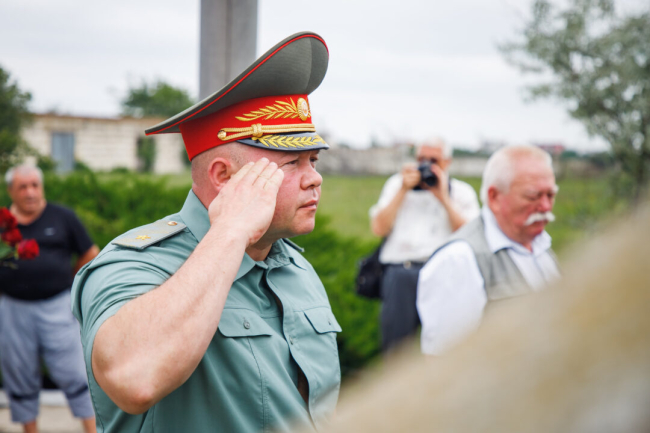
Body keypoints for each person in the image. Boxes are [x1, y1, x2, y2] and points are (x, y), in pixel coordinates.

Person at [71, 32, 341, 433]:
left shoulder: (295, 268)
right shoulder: (133, 264)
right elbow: (133, 379)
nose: (314, 178)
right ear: (223, 176)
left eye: (313, 160)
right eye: (292, 163)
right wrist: (230, 231)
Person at [417, 145, 561, 355]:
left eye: (551, 195)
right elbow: (444, 359)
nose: (546, 206)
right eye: (533, 196)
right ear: (494, 197)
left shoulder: (542, 246)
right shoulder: (458, 260)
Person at [0, 165, 99, 433]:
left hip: (57, 307)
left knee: (75, 373)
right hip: (13, 309)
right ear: (11, 191)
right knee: (19, 375)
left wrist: (71, 279)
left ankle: (92, 429)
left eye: (35, 185)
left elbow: (90, 251)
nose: (30, 192)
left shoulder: (62, 217)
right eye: (22, 187)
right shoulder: (3, 223)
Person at [369, 138, 480, 352]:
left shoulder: (461, 192)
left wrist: (443, 198)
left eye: (433, 160)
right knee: (397, 349)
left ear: (447, 162)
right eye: (421, 159)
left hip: (445, 274)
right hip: (402, 272)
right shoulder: (396, 184)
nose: (426, 165)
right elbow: (378, 228)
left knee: (447, 344)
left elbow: (471, 237)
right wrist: (402, 190)